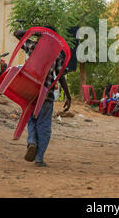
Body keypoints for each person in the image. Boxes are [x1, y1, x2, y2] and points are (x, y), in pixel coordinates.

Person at [14, 26, 71, 167]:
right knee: (44, 124)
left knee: (31, 120)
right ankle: (39, 158)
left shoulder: (33, 46)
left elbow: (17, 34)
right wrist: (68, 96)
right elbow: (60, 77)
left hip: (30, 91)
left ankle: (32, 141)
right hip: (47, 94)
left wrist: (36, 32)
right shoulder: (58, 54)